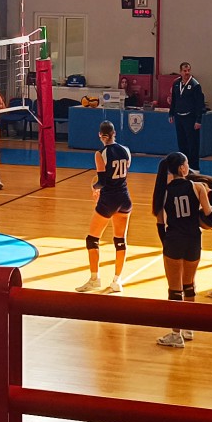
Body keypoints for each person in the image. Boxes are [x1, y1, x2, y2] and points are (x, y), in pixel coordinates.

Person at [154, 153, 209, 347]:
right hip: (194, 240)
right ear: (182, 168)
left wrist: (166, 244)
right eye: (187, 164)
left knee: (174, 289)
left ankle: (175, 334)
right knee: (189, 285)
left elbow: (160, 223)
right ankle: (188, 328)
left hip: (174, 241)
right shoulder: (198, 187)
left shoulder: (164, 191)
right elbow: (209, 215)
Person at [78, 119, 131, 294]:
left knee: (92, 239)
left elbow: (102, 181)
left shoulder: (100, 153)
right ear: (114, 133)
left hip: (109, 199)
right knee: (120, 240)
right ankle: (117, 281)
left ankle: (94, 279)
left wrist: (94, 188)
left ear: (100, 135)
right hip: (124, 198)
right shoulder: (126, 150)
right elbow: (122, 174)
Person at [169, 62, 207, 166]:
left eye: (188, 70)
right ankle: (183, 164)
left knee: (192, 143)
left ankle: (194, 166)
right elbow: (174, 100)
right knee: (182, 142)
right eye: (185, 71)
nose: (187, 72)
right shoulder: (176, 83)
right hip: (179, 116)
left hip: (190, 117)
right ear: (180, 72)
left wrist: (198, 120)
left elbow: (200, 104)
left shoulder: (195, 85)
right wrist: (171, 113)